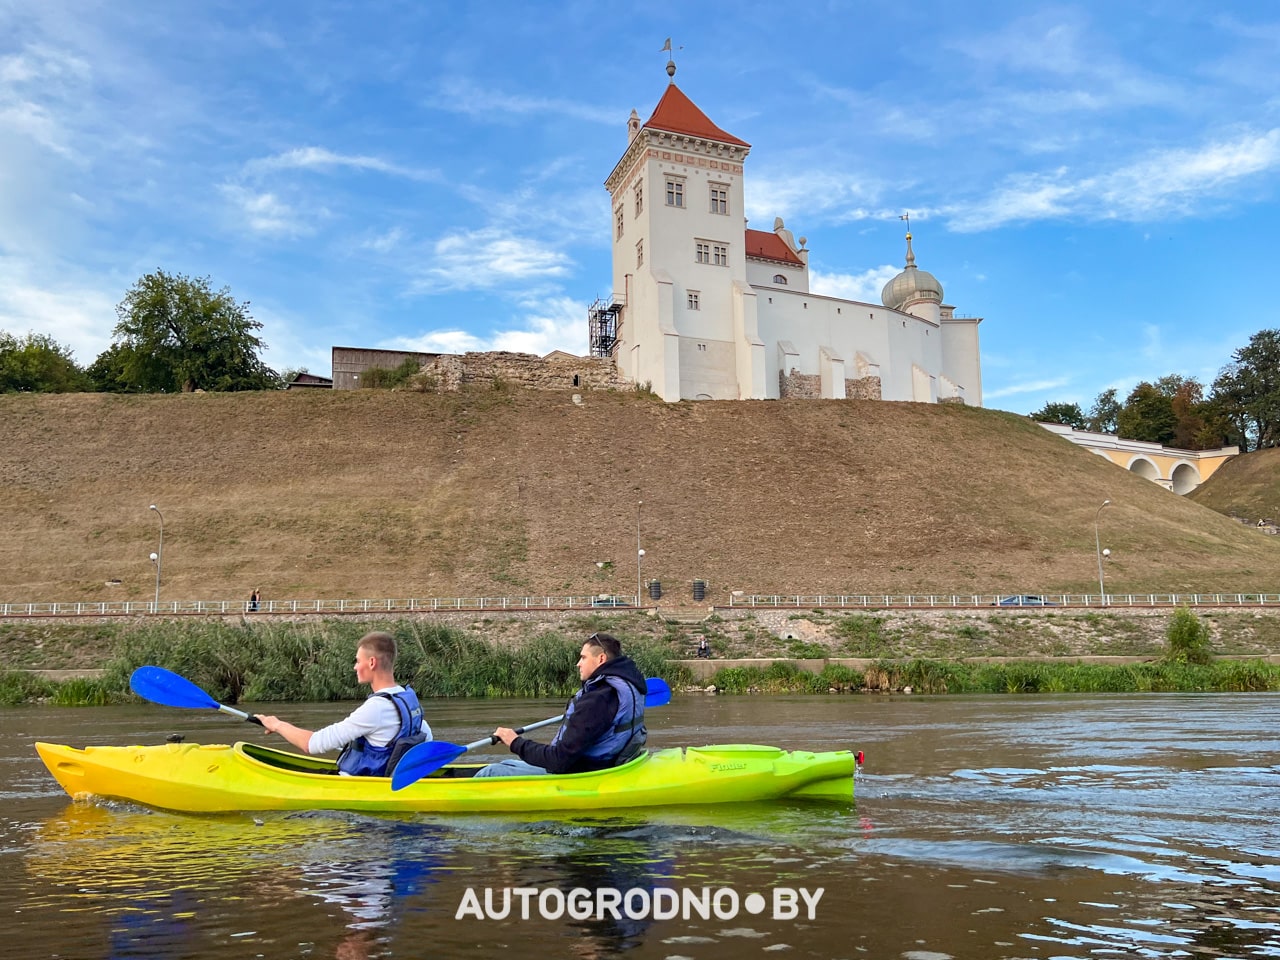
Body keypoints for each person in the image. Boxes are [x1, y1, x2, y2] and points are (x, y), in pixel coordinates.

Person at [256, 631, 429, 777]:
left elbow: (312, 744)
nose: (355, 667)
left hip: (360, 785)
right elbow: (426, 738)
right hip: (386, 778)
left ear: (371, 663)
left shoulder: (376, 708)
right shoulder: (406, 698)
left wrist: (277, 724)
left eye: (358, 661)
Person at [475, 632, 647, 777]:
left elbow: (559, 760)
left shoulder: (597, 699)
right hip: (603, 764)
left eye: (583, 657)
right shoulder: (626, 685)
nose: (578, 663)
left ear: (601, 658)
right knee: (507, 763)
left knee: (491, 772)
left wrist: (514, 742)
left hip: (582, 772)